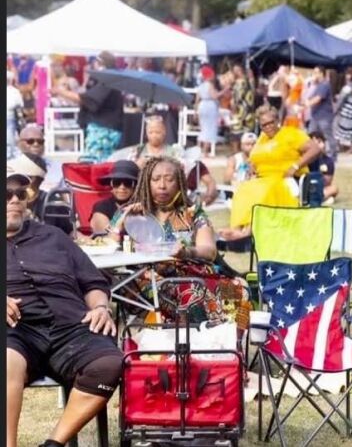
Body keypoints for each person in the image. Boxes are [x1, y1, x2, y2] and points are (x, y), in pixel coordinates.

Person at [6, 168, 124, 447]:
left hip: (72, 325)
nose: (15, 200)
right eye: (6, 194)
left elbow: (92, 282)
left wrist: (101, 307)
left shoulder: (54, 236)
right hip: (16, 330)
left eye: (20, 194)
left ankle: (54, 443)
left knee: (110, 364)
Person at [108, 156, 250, 328]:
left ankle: (226, 340)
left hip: (190, 274)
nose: (162, 185)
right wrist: (120, 225)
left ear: (180, 183)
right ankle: (196, 335)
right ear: (146, 182)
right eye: (156, 179)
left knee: (239, 290)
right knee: (191, 295)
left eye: (169, 179)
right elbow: (108, 251)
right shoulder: (130, 213)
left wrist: (187, 252)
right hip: (143, 281)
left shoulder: (191, 213)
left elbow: (209, 250)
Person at [221, 106, 321, 241]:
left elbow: (315, 149)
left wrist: (295, 166)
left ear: (277, 120)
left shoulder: (292, 134)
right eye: (264, 125)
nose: (268, 127)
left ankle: (247, 232)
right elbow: (254, 157)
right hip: (262, 178)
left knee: (263, 191)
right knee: (243, 189)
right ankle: (237, 229)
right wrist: (251, 166)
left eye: (271, 123)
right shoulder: (262, 138)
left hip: (283, 179)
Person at [50, 52, 124, 163]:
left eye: (95, 63)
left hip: (103, 130)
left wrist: (61, 92)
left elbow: (87, 99)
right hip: (102, 127)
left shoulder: (108, 81)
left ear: (100, 64)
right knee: (99, 162)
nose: (93, 65)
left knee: (95, 162)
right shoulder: (104, 80)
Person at [89, 160, 139, 236]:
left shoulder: (142, 207)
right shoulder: (101, 207)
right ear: (111, 185)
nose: (122, 187)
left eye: (128, 183)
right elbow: (109, 238)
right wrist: (123, 217)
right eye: (117, 182)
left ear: (135, 186)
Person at [18, 124, 62, 191]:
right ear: (19, 144)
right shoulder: (10, 168)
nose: (36, 144)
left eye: (40, 142)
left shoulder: (57, 167)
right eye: (30, 141)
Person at [305, 66, 337, 159]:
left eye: (316, 73)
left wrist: (307, 104)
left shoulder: (324, 85)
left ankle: (333, 155)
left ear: (321, 74)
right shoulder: (317, 85)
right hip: (315, 116)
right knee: (311, 135)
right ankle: (313, 154)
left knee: (328, 135)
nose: (314, 75)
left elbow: (318, 98)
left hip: (324, 116)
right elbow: (309, 96)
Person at [307, 131, 340, 205]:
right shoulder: (305, 159)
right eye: (314, 143)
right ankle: (320, 200)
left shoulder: (328, 161)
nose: (317, 145)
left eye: (319, 142)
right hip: (305, 187)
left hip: (318, 188)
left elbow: (327, 182)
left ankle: (317, 199)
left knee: (334, 188)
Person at [195, 66, 221, 156]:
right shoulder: (209, 85)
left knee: (203, 129)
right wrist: (223, 91)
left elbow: (197, 99)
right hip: (210, 106)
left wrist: (195, 111)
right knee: (209, 129)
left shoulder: (200, 86)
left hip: (202, 106)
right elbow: (214, 96)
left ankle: (198, 149)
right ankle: (205, 151)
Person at [7, 70, 24, 159]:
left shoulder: (15, 91)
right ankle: (10, 153)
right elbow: (20, 104)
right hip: (10, 114)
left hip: (10, 114)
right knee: (10, 134)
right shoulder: (14, 91)